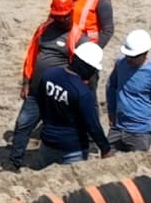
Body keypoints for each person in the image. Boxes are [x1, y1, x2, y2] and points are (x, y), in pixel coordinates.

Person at [2, 0, 116, 163]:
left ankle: (91, 140)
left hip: (86, 57)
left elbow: (108, 30)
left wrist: (90, 53)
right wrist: (27, 80)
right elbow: (36, 46)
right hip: (65, 56)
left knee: (86, 103)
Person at [29, 36, 112, 167]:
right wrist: (105, 148)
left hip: (47, 141)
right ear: (88, 67)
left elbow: (41, 104)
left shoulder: (49, 75)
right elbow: (92, 125)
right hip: (72, 148)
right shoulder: (82, 92)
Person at [104, 25, 151, 151]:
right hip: (118, 127)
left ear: (144, 54)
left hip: (140, 133)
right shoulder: (120, 63)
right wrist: (111, 112)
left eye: (132, 57)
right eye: (127, 55)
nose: (128, 59)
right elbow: (111, 85)